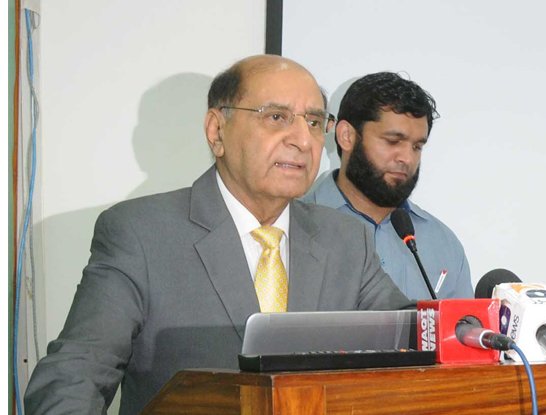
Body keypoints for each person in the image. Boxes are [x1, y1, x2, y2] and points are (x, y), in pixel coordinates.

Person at [24, 56, 413, 414]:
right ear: (217, 131)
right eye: (276, 117)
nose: (302, 139)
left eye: (313, 122)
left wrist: (467, 330)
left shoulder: (344, 238)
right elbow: (75, 375)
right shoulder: (141, 234)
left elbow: (414, 337)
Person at [303, 72, 473, 300]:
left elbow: (461, 332)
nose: (407, 158)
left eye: (416, 146)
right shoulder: (290, 226)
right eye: (393, 141)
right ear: (347, 136)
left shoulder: (443, 244)